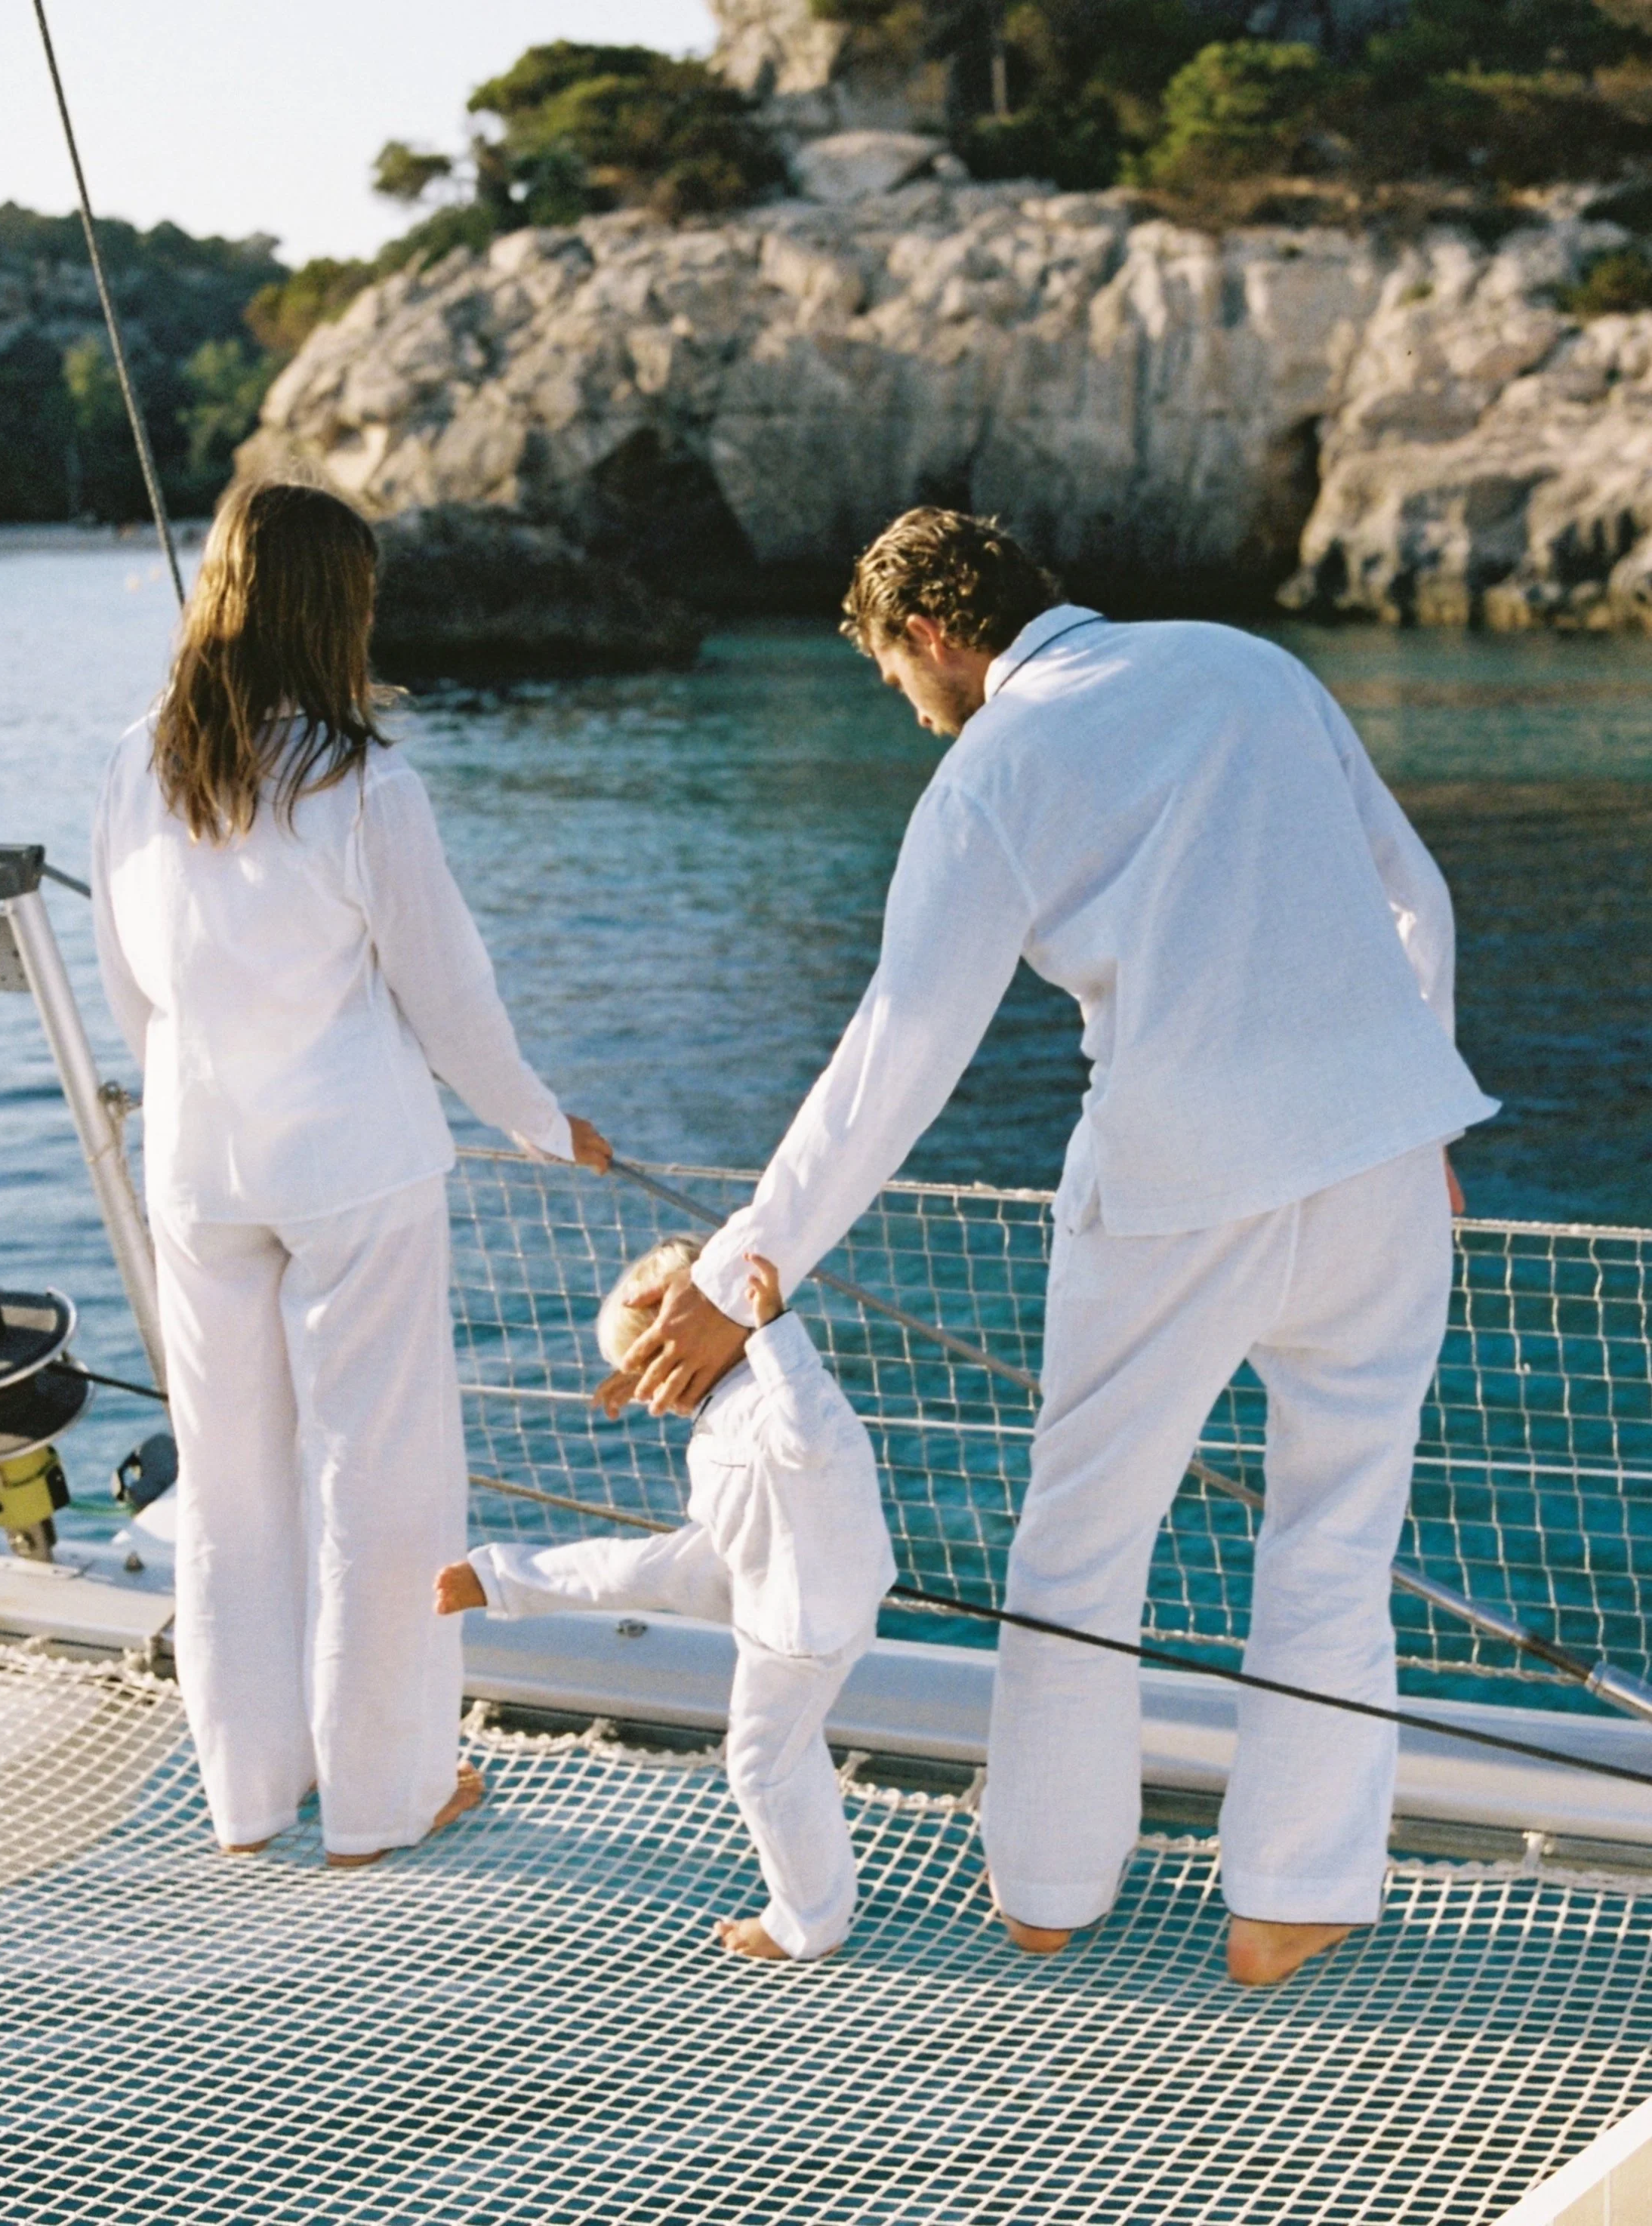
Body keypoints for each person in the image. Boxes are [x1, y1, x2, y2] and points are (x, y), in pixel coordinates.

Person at [616, 507, 1496, 1987]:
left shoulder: (995, 772)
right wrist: (1431, 1105)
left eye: (896, 677)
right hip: (1388, 1162)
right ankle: (1295, 1893)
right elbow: (1420, 893)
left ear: (931, 634)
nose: (907, 708)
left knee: (1083, 1546)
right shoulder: (1252, 665)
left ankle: (1049, 1885)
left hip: (1175, 1185)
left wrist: (742, 1269)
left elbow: (897, 1052)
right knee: (1335, 1536)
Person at [92, 479, 612, 1868]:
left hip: (197, 1171)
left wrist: (201, 1093)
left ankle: (249, 1795)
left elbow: (130, 986)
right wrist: (540, 1120)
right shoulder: (363, 781)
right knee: (379, 1482)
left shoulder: (142, 762)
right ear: (339, 607)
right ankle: (382, 1797)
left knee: (233, 1486)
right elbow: (451, 999)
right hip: (350, 1171)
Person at [435, 1240, 895, 1960]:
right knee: (633, 1570)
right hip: (761, 1557)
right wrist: (657, 1372)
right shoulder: (726, 1392)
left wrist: (776, 1328)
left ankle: (807, 1925)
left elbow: (810, 1436)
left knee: (762, 1766)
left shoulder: (780, 1395)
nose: (658, 1389)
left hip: (799, 1615)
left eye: (660, 1364)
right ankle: (496, 1579)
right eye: (644, 1371)